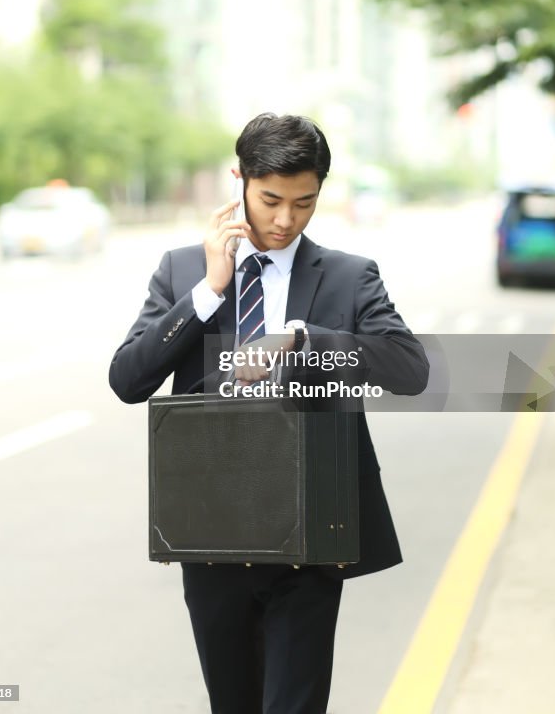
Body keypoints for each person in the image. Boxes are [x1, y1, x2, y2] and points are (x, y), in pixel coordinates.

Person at [109, 112, 429, 714]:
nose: (285, 220)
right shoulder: (183, 270)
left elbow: (410, 370)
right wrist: (208, 291)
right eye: (271, 200)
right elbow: (128, 379)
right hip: (213, 531)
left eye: (304, 203)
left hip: (312, 529)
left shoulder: (349, 277)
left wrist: (306, 339)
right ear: (240, 181)